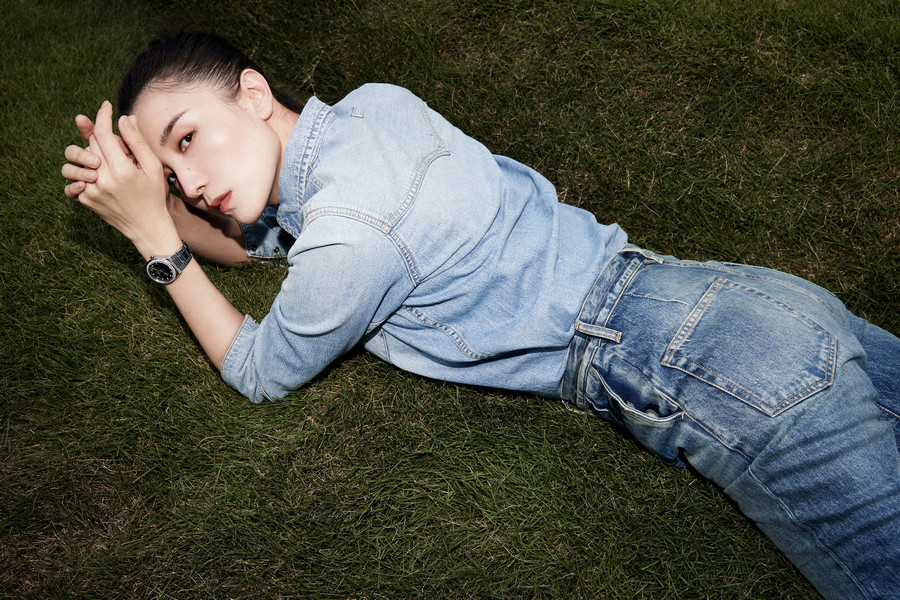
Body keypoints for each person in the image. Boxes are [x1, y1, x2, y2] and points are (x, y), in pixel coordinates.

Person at [61, 33, 900, 600]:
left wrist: (157, 244)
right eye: (170, 176)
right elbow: (262, 244)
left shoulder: (352, 237)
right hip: (746, 300)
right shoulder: (376, 109)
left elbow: (257, 369)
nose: (189, 182)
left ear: (250, 93)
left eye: (186, 140)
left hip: (719, 376)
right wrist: (155, 205)